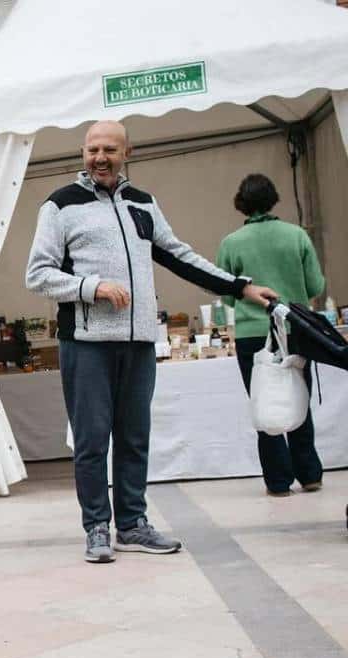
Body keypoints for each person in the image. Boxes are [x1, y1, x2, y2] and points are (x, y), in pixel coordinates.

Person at [26, 120, 277, 563]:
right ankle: (97, 527)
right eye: (92, 150)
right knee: (90, 441)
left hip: (139, 340)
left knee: (134, 437)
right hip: (86, 342)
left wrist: (239, 287)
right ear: (83, 153)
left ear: (127, 153)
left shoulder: (143, 203)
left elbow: (180, 255)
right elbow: (39, 274)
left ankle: (132, 524)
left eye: (109, 150)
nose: (99, 158)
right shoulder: (60, 205)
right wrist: (92, 287)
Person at [217, 173, 326, 497]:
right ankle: (309, 474)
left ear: (241, 202)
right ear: (274, 198)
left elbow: (225, 294)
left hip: (252, 334)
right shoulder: (296, 236)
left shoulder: (231, 243)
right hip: (295, 329)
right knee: (299, 397)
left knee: (264, 402)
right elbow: (316, 286)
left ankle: (278, 481)